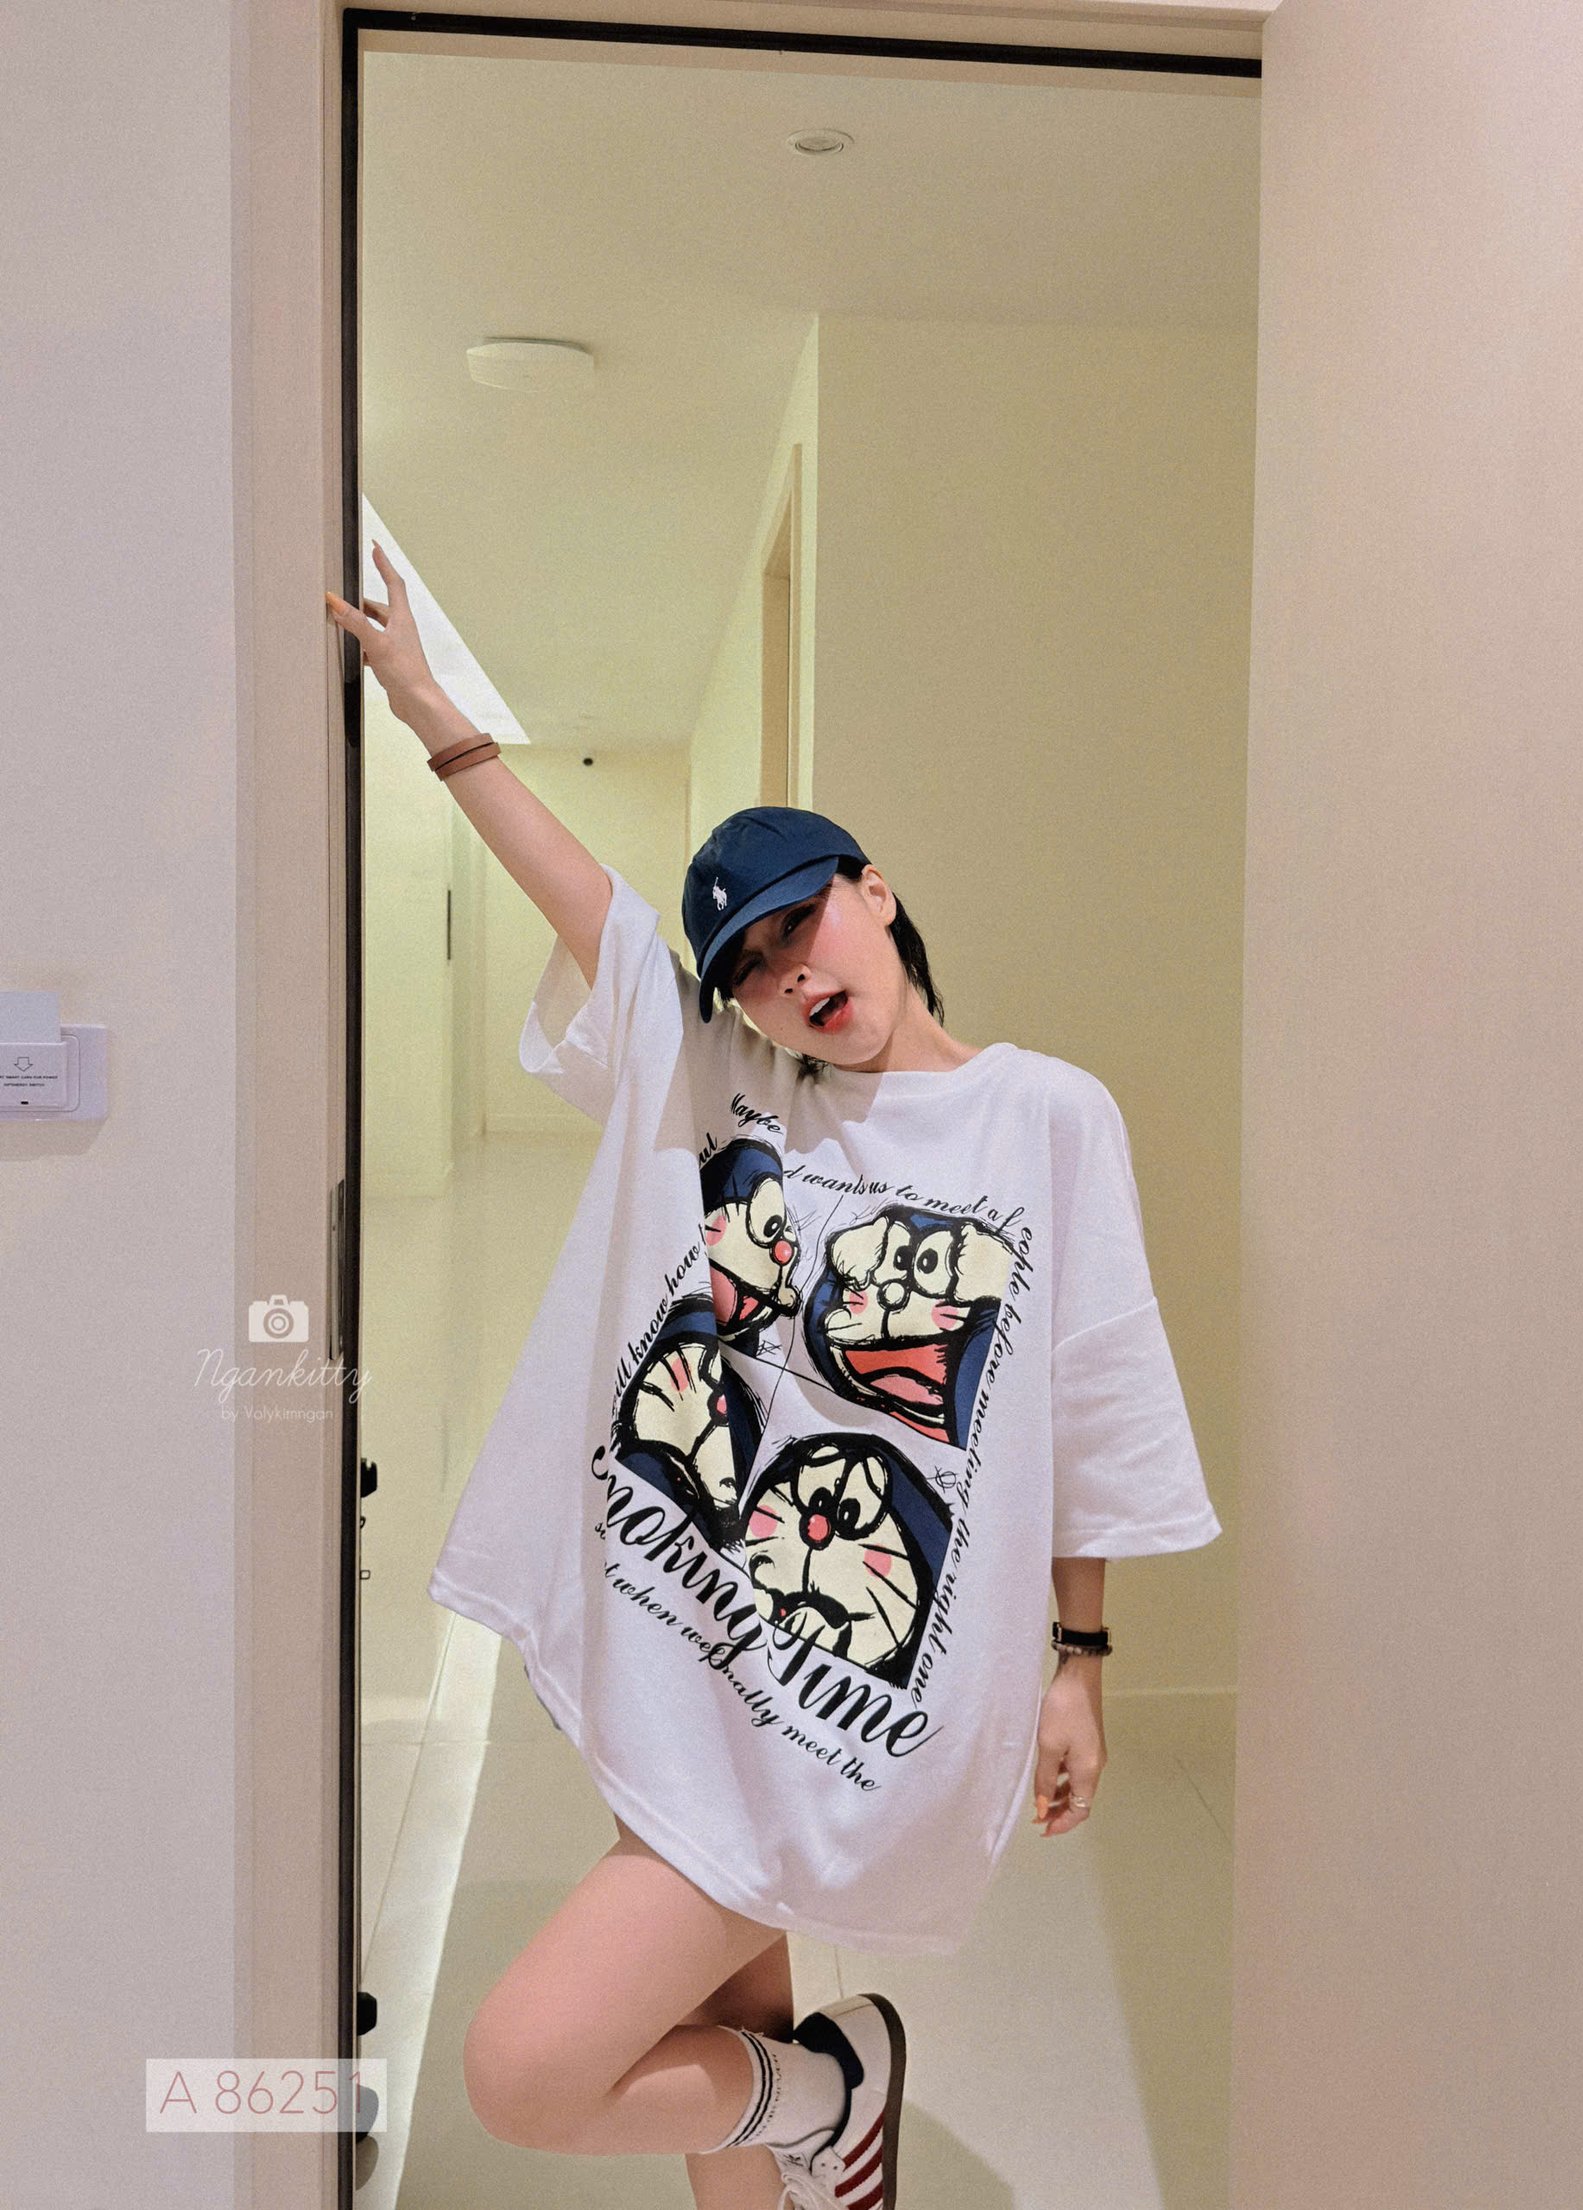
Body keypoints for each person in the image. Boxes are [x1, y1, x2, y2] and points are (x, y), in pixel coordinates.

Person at [326, 545, 1223, 2210]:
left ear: (875, 891)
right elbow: (588, 903)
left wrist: (1083, 1660)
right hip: (705, 1652)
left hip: (863, 1709)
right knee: (724, 2054)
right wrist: (435, 717)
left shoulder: (1046, 1114)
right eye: (749, 964)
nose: (791, 976)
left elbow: (1092, 1397)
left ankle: (834, 2086)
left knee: (527, 2068)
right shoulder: (733, 1082)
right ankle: (807, 2108)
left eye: (805, 922)